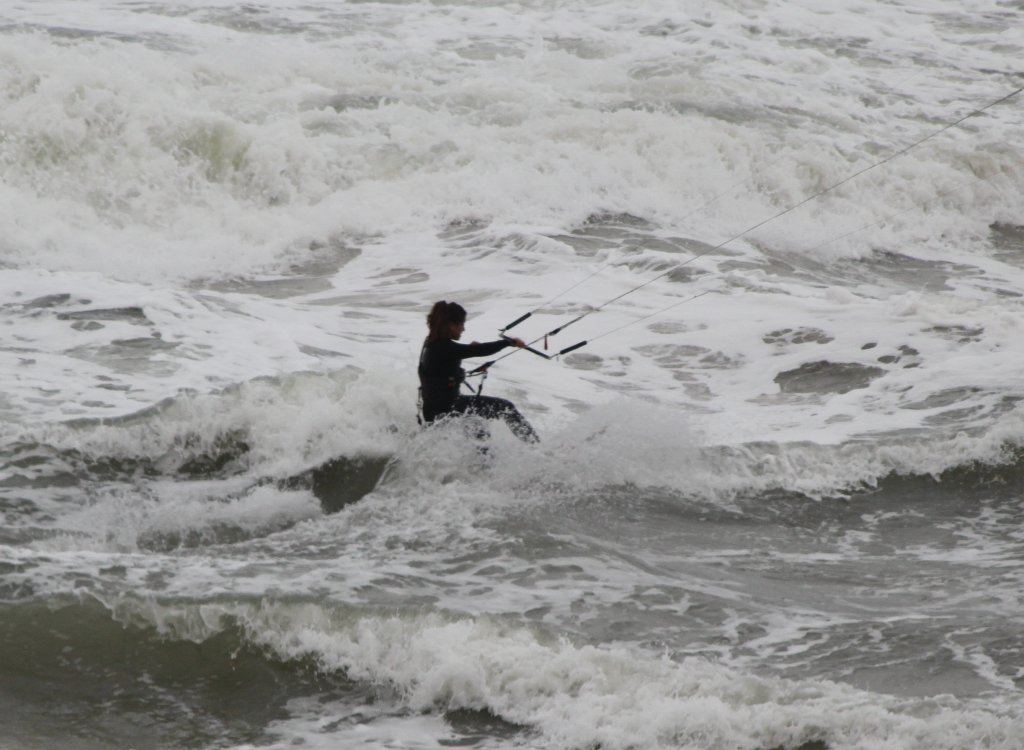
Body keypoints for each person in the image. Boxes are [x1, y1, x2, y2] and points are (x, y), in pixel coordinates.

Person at [418, 300, 539, 443]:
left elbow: (445, 363)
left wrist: (464, 357)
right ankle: (535, 446)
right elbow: (478, 351)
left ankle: (483, 463)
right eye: (461, 324)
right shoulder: (443, 347)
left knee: (478, 427)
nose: (463, 329)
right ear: (451, 325)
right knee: (505, 407)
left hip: (434, 410)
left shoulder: (431, 343)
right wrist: (508, 342)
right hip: (448, 407)